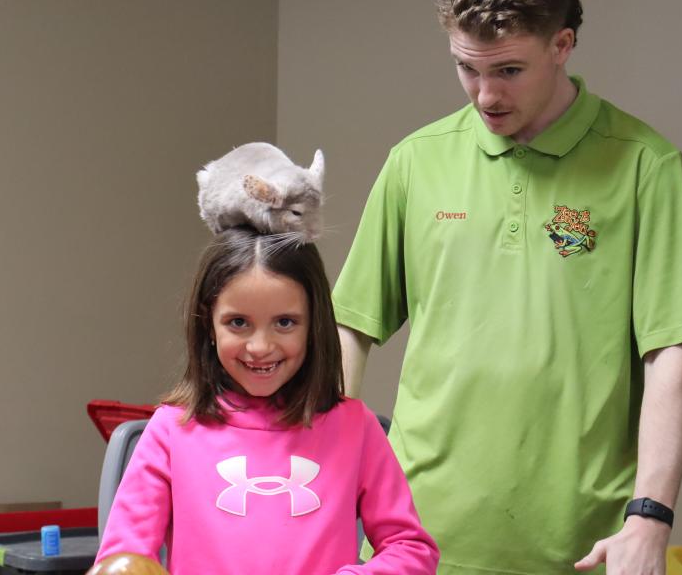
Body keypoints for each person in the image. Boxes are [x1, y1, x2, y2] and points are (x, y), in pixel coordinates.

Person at [332, 0, 682, 572]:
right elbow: (351, 329)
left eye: (508, 70)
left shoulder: (645, 166)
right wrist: (323, 481)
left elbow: (672, 350)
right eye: (467, 67)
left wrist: (651, 516)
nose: (485, 95)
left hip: (583, 545)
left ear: (562, 45)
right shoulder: (416, 161)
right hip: (411, 539)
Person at [97, 226, 439, 574]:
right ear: (208, 325)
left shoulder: (356, 427)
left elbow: (411, 550)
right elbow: (122, 559)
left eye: (285, 322)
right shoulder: (170, 432)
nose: (260, 346)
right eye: (239, 322)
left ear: (314, 325)